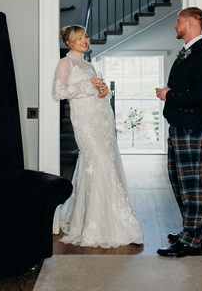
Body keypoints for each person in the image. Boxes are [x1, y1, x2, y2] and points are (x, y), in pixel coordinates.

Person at [53, 25, 144, 248]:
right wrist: (86, 84)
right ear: (70, 42)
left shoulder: (89, 65)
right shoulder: (66, 63)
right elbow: (59, 92)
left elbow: (93, 90)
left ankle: (97, 220)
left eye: (85, 36)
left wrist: (103, 91)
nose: (85, 40)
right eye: (80, 38)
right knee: (102, 165)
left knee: (100, 166)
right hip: (85, 124)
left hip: (100, 120)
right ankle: (109, 224)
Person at [155, 7, 202, 258]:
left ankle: (190, 239)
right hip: (180, 123)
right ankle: (194, 232)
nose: (175, 26)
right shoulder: (189, 53)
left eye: (179, 21)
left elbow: (201, 94)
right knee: (179, 179)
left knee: (191, 183)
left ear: (192, 23)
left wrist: (170, 95)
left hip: (192, 125)